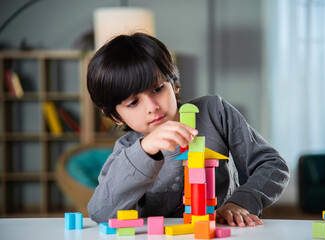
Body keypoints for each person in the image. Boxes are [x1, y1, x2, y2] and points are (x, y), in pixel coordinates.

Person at [86, 32, 290, 227]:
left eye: (157, 89)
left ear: (174, 85)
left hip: (221, 231)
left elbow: (273, 165)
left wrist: (241, 202)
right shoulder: (127, 150)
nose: (152, 107)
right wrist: (145, 150)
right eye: (133, 102)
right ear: (115, 116)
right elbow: (100, 212)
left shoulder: (214, 112)